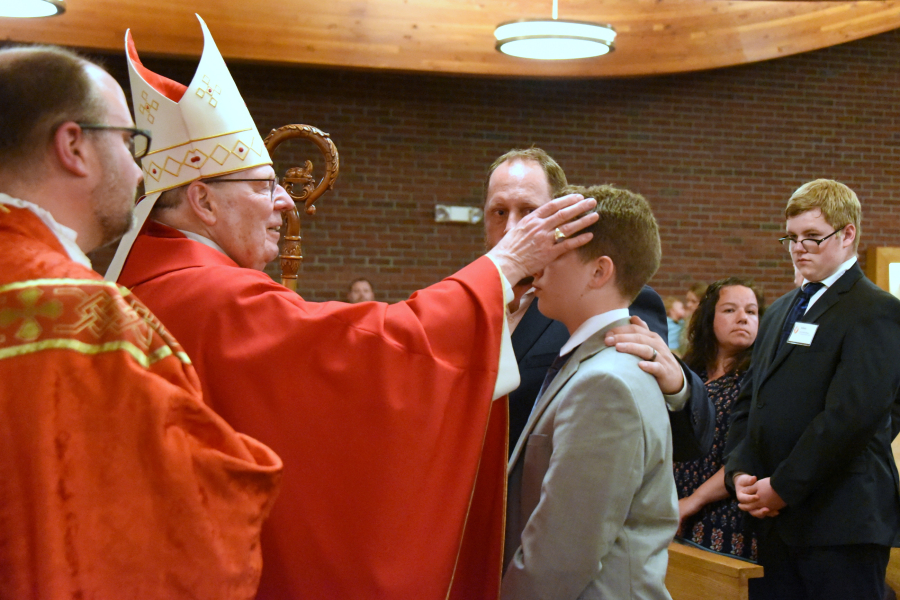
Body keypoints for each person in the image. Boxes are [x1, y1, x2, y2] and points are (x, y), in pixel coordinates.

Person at [111, 17, 599, 600]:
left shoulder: (153, 284)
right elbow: (375, 356)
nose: (285, 201)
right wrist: (501, 269)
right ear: (203, 202)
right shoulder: (211, 296)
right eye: (265, 186)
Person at [0, 45, 282, 599]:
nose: (140, 170)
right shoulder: (82, 314)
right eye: (131, 144)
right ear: (74, 145)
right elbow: (188, 517)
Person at [724, 179, 900, 600]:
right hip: (774, 518)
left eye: (812, 238)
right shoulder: (782, 309)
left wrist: (782, 487)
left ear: (848, 234)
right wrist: (740, 472)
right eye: (791, 238)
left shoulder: (875, 309)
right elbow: (751, 400)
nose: (798, 248)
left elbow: (850, 418)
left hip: (840, 521)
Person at [483, 148, 714, 462]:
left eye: (527, 211)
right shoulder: (466, 301)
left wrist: (677, 387)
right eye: (499, 212)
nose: (511, 228)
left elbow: (671, 433)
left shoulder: (600, 298)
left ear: (560, 214)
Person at [502, 185, 677, 599]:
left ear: (599, 272)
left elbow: (560, 557)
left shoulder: (606, 383)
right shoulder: (597, 362)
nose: (537, 267)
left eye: (554, 251)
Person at [674, 277, 764, 561]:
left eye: (751, 312)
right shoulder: (689, 373)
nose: (743, 318)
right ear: (707, 318)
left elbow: (748, 453)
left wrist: (692, 502)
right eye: (729, 310)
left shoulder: (758, 380)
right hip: (672, 510)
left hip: (726, 521)